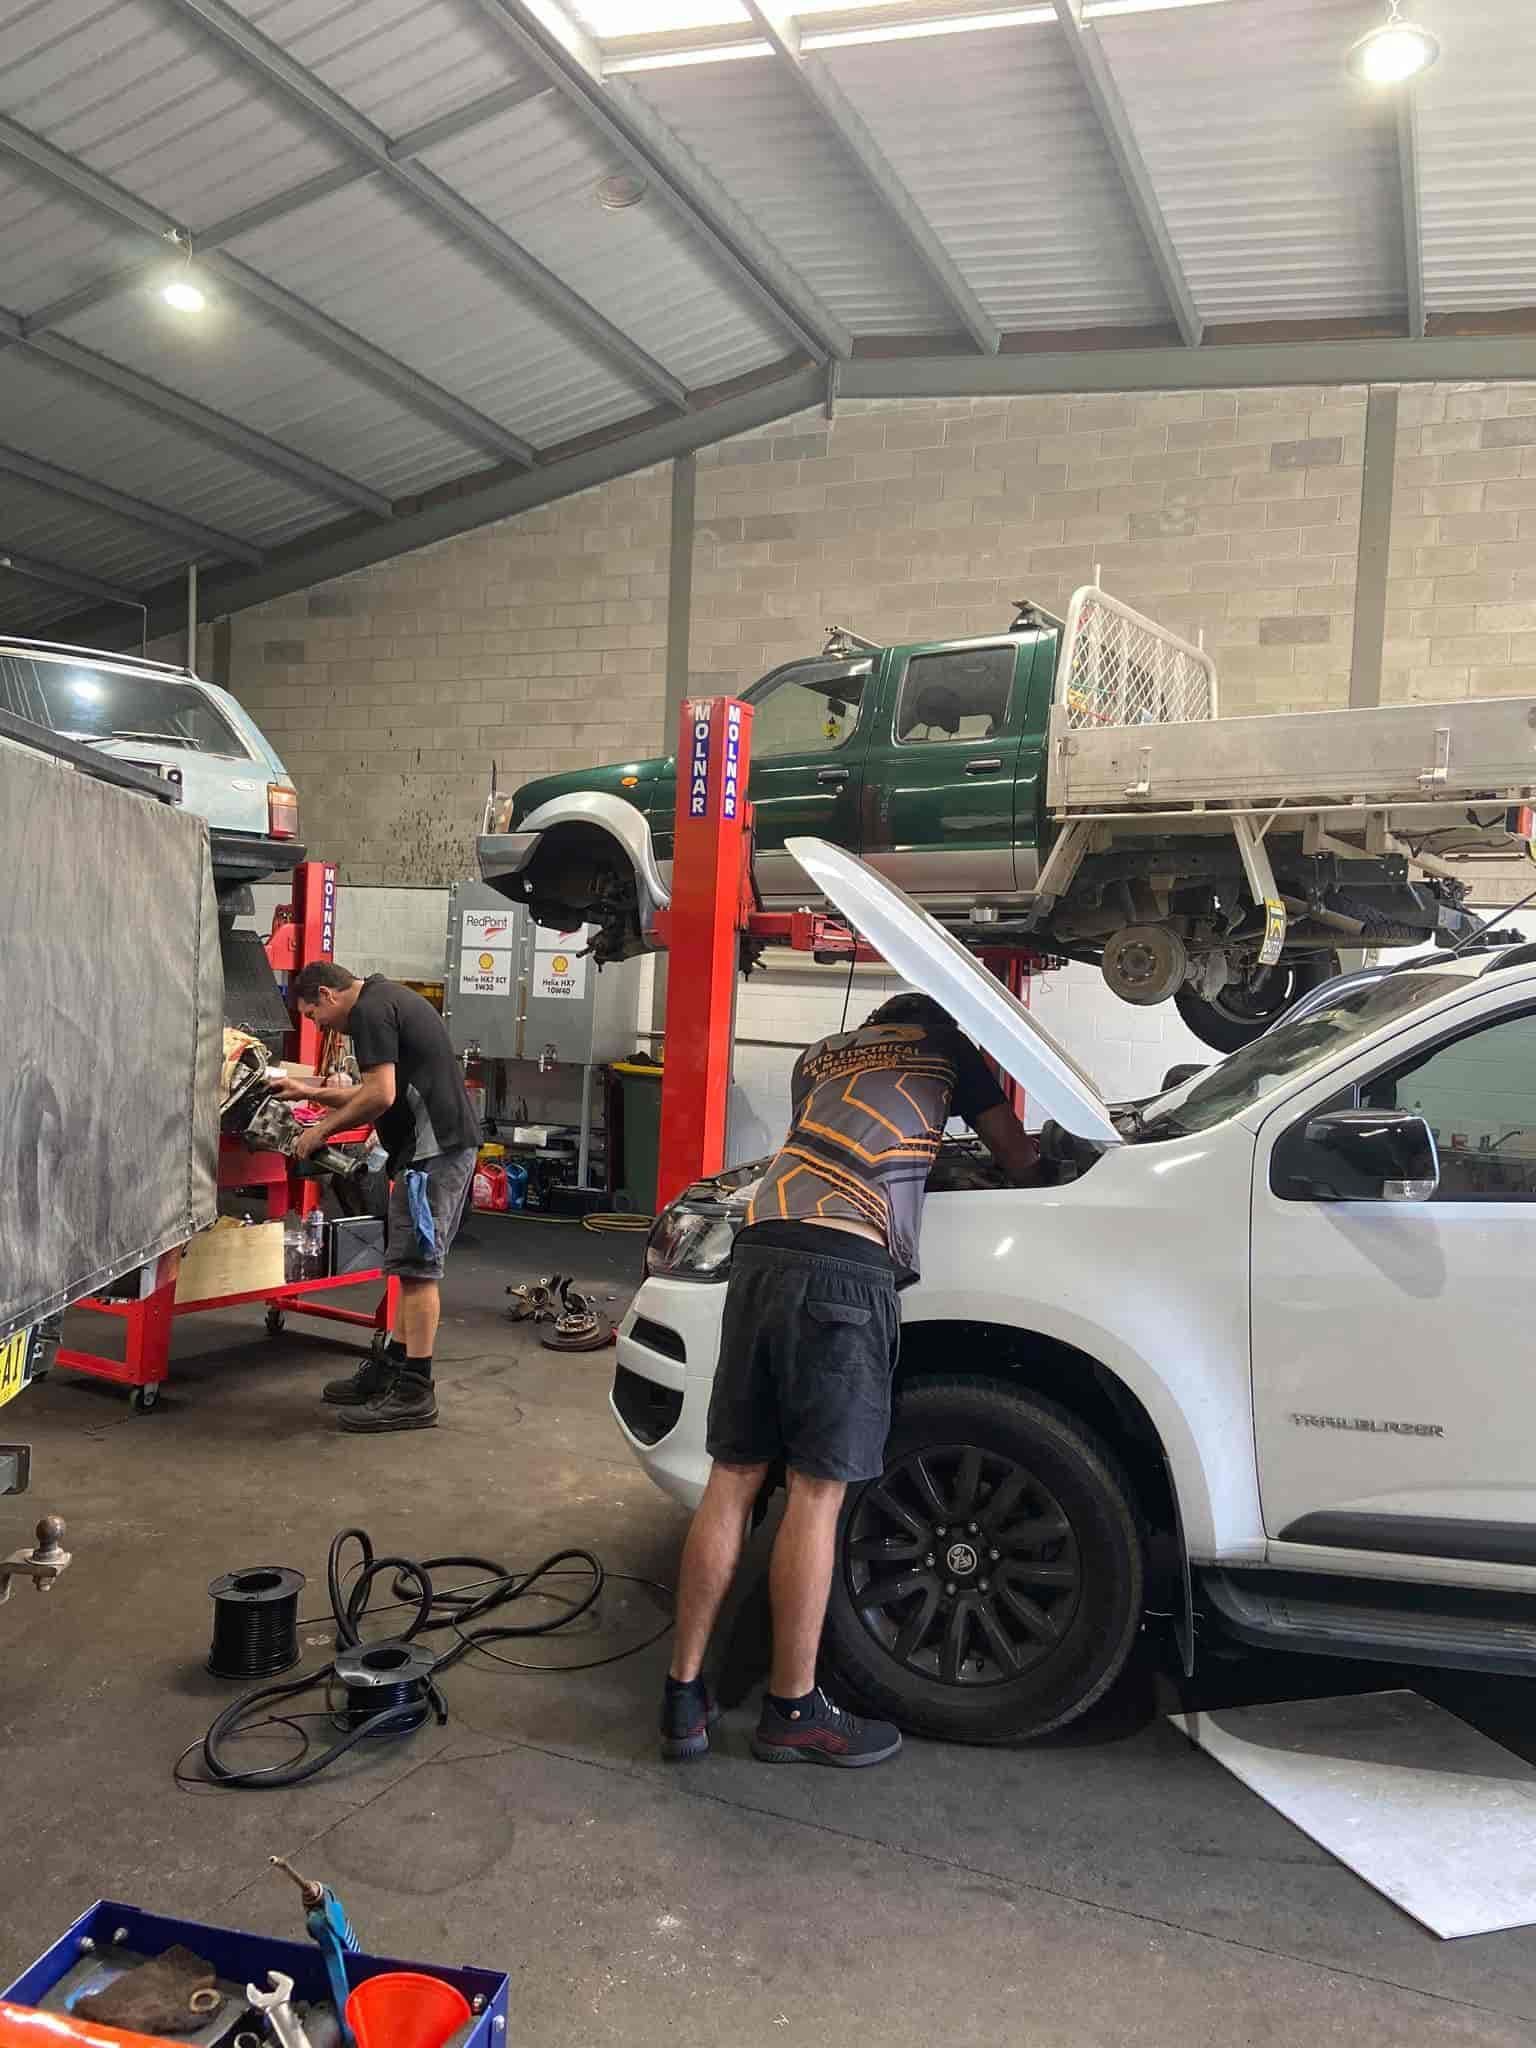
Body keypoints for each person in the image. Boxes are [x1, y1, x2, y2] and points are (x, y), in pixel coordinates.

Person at [661, 990, 1037, 1769]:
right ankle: (794, 1711)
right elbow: (1019, 1156)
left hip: (759, 1253)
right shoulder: (946, 1049)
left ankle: (683, 1697)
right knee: (816, 1491)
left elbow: (837, 1137)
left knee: (732, 1477)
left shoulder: (820, 1056)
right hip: (844, 1270)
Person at [277, 962, 481, 1432]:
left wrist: (318, 1133)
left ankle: (415, 1392)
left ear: (327, 994)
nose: (318, 1024)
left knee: (418, 1269)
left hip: (435, 1152)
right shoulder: (383, 998)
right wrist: (303, 1090)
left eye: (313, 1015)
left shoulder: (369, 1011)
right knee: (408, 1266)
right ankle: (394, 1367)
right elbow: (376, 1091)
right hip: (433, 1150)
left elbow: (379, 1096)